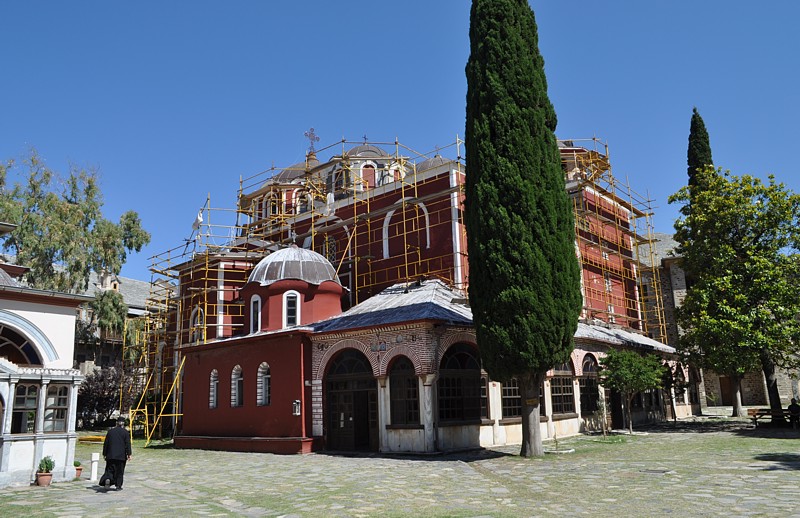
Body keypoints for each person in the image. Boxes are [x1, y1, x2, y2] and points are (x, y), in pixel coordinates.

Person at [99, 417, 132, 490]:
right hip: (121, 456)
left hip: (110, 455)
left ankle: (108, 479)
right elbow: (127, 444)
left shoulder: (110, 432)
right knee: (120, 471)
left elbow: (106, 443)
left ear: (116, 423)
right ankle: (118, 486)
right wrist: (129, 454)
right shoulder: (125, 432)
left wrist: (104, 453)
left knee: (109, 469)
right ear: (123, 424)